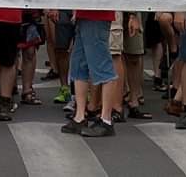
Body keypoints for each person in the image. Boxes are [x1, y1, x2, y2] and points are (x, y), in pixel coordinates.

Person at [59, 9, 121, 137]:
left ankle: (106, 120)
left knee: (102, 66)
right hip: (85, 14)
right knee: (79, 65)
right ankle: (80, 116)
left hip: (97, 15)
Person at [123, 12, 152, 120]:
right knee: (114, 54)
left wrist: (133, 15)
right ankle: (114, 105)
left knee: (134, 55)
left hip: (133, 5)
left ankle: (134, 101)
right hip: (112, 7)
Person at [50, 10, 74, 106]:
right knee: (61, 49)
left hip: (82, 7)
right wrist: (53, 8)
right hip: (63, 9)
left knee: (82, 50)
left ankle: (85, 90)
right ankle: (64, 88)